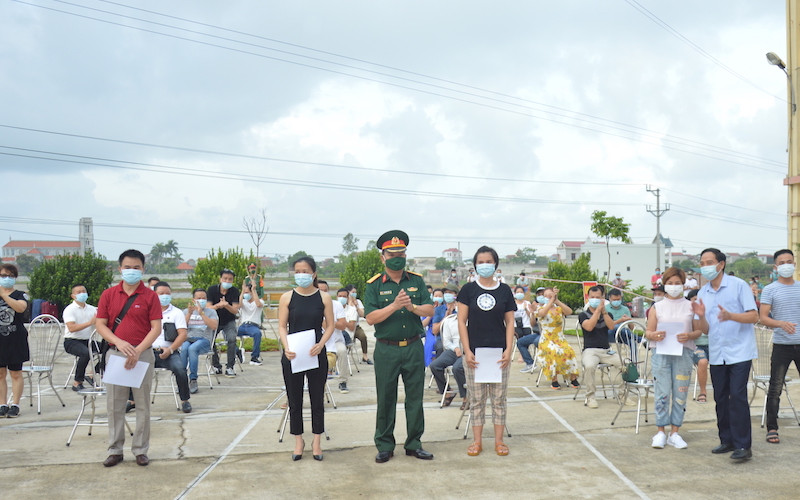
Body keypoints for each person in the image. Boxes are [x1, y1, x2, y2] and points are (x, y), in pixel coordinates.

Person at [364, 230, 434, 463]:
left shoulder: (416, 281)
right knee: (386, 398)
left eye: (401, 253)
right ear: (382, 257)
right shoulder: (374, 285)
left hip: (413, 346)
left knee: (415, 398)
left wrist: (412, 307)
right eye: (392, 253)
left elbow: (429, 310)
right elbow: (371, 318)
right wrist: (394, 306)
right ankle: (384, 444)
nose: (397, 257)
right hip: (386, 349)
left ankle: (414, 444)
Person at [95, 249, 161, 467]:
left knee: (143, 405)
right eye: (127, 267)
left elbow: (156, 328)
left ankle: (141, 449)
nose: (131, 271)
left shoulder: (150, 296)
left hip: (143, 355)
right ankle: (115, 449)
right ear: (119, 268)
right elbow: (100, 324)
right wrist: (120, 343)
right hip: (116, 355)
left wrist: (138, 350)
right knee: (115, 405)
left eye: (136, 267)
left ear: (143, 269)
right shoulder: (109, 295)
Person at [695, 248, 758, 462]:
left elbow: (753, 316)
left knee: (737, 397)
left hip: (739, 351)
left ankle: (743, 445)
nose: (705, 266)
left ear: (721, 264)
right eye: (702, 262)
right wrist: (702, 317)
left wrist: (731, 316)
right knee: (720, 396)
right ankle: (727, 439)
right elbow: (705, 329)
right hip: (717, 352)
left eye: (709, 262)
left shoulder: (738, 286)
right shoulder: (703, 293)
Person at [457, 246, 515, 457]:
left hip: (499, 354)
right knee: (477, 400)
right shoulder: (468, 290)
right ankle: (477, 441)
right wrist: (466, 350)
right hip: (475, 354)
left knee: (499, 400)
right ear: (475, 265)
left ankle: (499, 442)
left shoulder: (504, 290)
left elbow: (509, 322)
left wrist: (509, 349)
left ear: (495, 264)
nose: (484, 265)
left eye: (488, 261)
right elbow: (462, 322)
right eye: (480, 262)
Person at [278, 256, 335, 461]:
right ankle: (298, 440)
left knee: (317, 398)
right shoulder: (287, 297)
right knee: (295, 399)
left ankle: (317, 441)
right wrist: (286, 347)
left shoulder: (323, 298)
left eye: (305, 271)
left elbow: (330, 325)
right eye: (297, 271)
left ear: (314, 273)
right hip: (293, 354)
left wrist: (321, 344)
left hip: (315, 353)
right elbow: (282, 326)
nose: (301, 275)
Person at [646, 267, 702, 449]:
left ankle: (675, 432)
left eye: (677, 283)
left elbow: (698, 330)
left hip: (683, 353)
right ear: (664, 284)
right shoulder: (657, 307)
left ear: (683, 284)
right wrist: (654, 336)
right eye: (670, 283)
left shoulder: (690, 306)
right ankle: (660, 431)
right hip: (661, 353)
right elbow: (648, 331)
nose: (674, 286)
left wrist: (690, 335)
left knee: (680, 392)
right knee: (662, 393)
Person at [758, 249, 800, 445]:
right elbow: (763, 317)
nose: (786, 265)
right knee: (775, 388)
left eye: (789, 261)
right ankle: (772, 427)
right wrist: (780, 323)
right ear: (776, 267)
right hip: (782, 345)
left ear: (794, 263)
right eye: (782, 262)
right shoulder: (770, 289)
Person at [580, 285, 623, 409]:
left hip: (606, 350)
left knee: (624, 365)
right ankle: (590, 396)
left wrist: (603, 312)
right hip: (590, 350)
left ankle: (622, 394)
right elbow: (589, 327)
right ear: (588, 298)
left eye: (598, 297)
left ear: (603, 298)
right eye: (592, 297)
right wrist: (597, 311)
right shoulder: (583, 314)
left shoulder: (607, 313)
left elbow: (610, 327)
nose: (595, 299)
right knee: (589, 366)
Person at [151, 282, 191, 413]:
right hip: (149, 351)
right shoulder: (147, 311)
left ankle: (185, 400)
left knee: (180, 369)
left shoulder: (176, 313)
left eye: (167, 293)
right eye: (161, 294)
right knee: (134, 367)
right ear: (154, 295)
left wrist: (170, 350)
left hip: (170, 351)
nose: (165, 296)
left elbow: (182, 334)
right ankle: (132, 400)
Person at [535, 287, 579, 389]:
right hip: (547, 339)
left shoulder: (559, 309)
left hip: (559, 338)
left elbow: (569, 311)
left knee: (569, 351)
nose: (548, 297)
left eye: (550, 295)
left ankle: (573, 378)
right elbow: (541, 314)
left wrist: (557, 300)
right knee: (553, 351)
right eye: (546, 295)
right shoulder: (540, 308)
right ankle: (554, 380)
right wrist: (550, 302)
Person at [0, 264, 29, 418]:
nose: (6, 278)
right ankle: (2, 404)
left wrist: (4, 296)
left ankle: (15, 404)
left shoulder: (20, 294)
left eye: (10, 276)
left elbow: (20, 308)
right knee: (0, 373)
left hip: (15, 339)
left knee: (16, 373)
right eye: (3, 275)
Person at [181, 289, 218, 394]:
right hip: (189, 338)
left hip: (204, 340)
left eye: (204, 298)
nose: (201, 300)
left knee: (192, 349)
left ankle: (193, 379)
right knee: (184, 348)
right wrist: (189, 313)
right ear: (193, 299)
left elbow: (214, 326)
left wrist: (202, 314)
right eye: (199, 298)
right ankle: (182, 379)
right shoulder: (186, 311)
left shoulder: (211, 312)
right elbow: (181, 327)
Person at [62, 284, 98, 391]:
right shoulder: (70, 309)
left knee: (111, 347)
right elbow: (71, 328)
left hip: (88, 340)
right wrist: (89, 323)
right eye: (78, 292)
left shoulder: (92, 309)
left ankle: (93, 373)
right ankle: (77, 382)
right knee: (86, 352)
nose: (82, 294)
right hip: (72, 341)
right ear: (73, 296)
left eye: (84, 291)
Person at [207, 269, 241, 377]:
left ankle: (230, 366)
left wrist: (226, 305)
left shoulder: (235, 291)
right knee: (210, 340)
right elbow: (208, 308)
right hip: (215, 320)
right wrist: (218, 306)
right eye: (225, 278)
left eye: (230, 279)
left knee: (232, 339)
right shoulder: (212, 290)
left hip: (229, 321)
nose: (227, 281)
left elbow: (235, 310)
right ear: (220, 279)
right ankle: (216, 366)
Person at [687, 289, 709, 404]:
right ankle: (703, 391)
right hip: (696, 346)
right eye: (694, 300)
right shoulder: (688, 315)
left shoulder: (709, 312)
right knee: (703, 362)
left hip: (713, 345)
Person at [238, 283, 264, 366]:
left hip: (253, 326)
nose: (246, 295)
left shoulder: (260, 301)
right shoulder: (244, 302)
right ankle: (237, 351)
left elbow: (258, 305)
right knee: (228, 332)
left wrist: (253, 290)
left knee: (257, 334)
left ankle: (254, 357)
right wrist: (242, 291)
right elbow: (239, 304)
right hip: (243, 325)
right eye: (244, 293)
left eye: (247, 292)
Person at [344, 285, 372, 364]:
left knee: (363, 336)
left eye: (355, 293)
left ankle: (365, 356)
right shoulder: (344, 301)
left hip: (356, 326)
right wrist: (349, 303)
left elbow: (363, 314)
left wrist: (356, 306)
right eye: (352, 292)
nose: (354, 294)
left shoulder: (358, 302)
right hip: (345, 326)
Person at [512, 286, 537, 373]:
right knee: (519, 336)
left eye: (521, 292)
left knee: (527, 335)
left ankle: (523, 354)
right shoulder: (512, 303)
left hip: (526, 325)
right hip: (516, 325)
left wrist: (526, 308)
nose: (520, 294)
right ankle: (521, 354)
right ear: (515, 293)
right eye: (518, 292)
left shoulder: (526, 303)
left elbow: (531, 314)